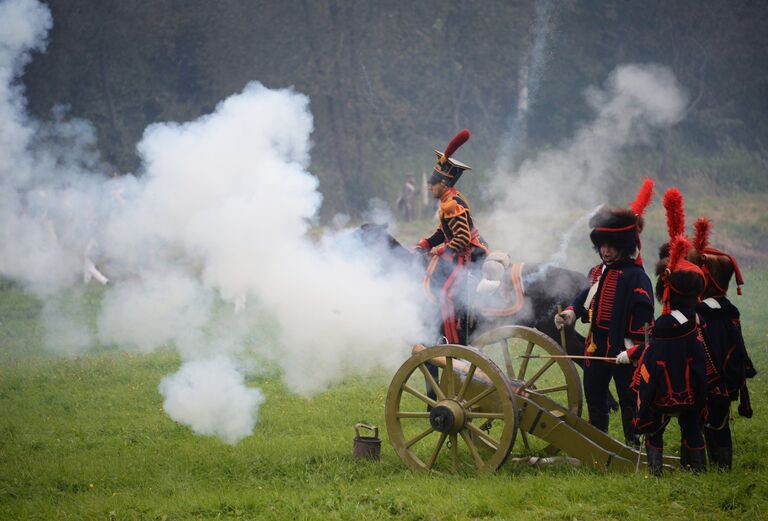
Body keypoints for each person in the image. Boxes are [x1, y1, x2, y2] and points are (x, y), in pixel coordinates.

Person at [553, 178, 655, 448]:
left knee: (628, 399)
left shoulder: (637, 277)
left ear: (623, 245)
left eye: (611, 245)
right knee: (594, 396)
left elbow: (644, 316)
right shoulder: (597, 272)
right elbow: (583, 297)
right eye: (602, 245)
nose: (606, 250)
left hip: (623, 350)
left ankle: (633, 445)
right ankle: (599, 444)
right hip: (595, 347)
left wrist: (632, 349)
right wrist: (572, 313)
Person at [632, 235, 709, 475]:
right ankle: (698, 469)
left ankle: (655, 472)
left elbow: (652, 358)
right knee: (692, 427)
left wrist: (634, 356)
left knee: (654, 428)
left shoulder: (664, 324)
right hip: (692, 391)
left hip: (664, 391)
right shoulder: (696, 321)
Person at [689, 216, 756, 470]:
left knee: (709, 423)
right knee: (717, 424)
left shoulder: (707, 315)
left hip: (710, 381)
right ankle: (720, 467)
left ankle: (716, 468)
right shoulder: (727, 311)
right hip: (725, 381)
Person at [415, 129, 488, 345]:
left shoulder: (452, 203)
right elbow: (444, 232)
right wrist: (427, 243)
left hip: (470, 254)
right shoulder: (447, 200)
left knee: (444, 294)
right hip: (461, 252)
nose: (430, 187)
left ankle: (451, 341)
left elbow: (462, 238)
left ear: (444, 184)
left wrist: (439, 250)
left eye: (433, 184)